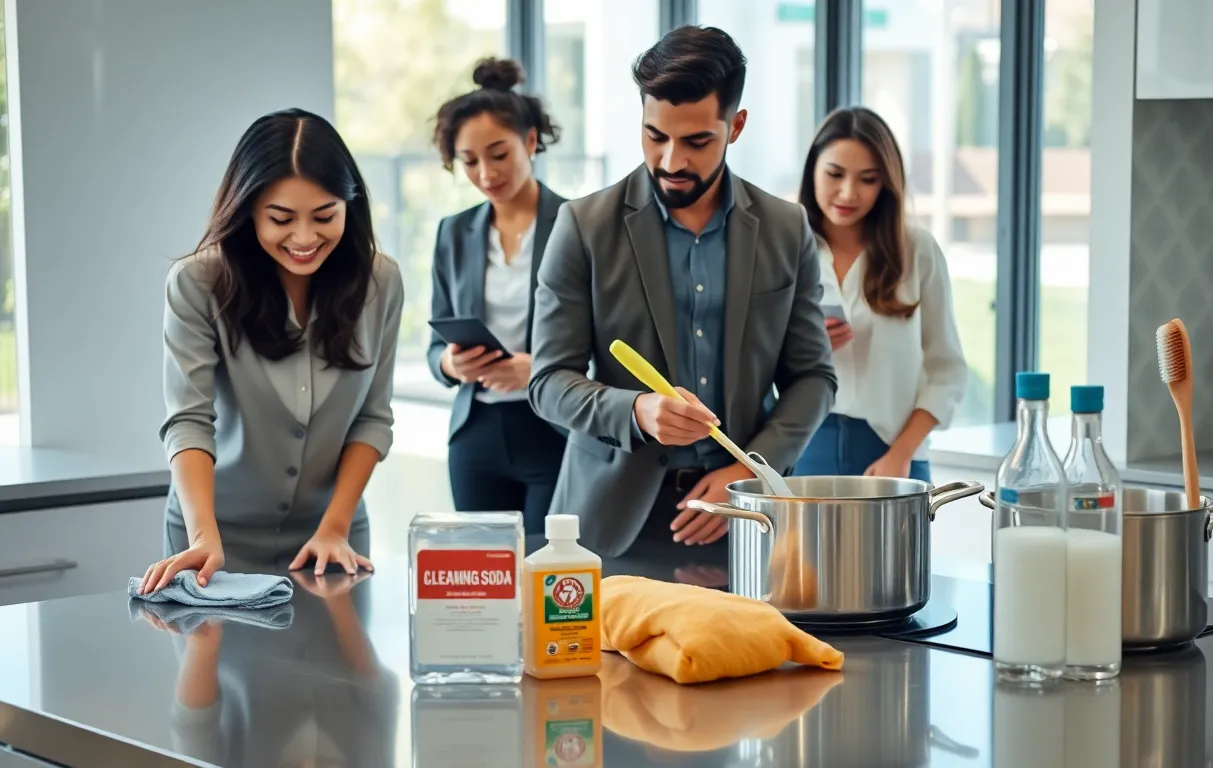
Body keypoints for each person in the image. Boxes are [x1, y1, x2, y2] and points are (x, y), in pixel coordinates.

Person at [528, 26, 837, 558]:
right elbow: (548, 381)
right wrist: (636, 411)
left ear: (735, 126)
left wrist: (751, 469)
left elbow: (813, 376)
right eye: (655, 136)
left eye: (697, 142)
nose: (671, 161)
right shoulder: (582, 226)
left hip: (746, 516)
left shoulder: (787, 229)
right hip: (612, 517)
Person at [138, 108, 404, 593]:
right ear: (248, 212)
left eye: (325, 216)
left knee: (345, 672)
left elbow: (373, 417)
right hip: (214, 542)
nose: (304, 238)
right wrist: (203, 534)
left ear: (351, 205)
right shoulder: (199, 284)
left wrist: (335, 525)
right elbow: (190, 420)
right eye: (281, 219)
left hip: (332, 538)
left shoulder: (380, 281)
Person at [425, 58, 568, 534]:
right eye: (469, 161)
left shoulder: (576, 226)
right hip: (475, 436)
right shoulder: (454, 233)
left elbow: (610, 338)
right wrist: (450, 364)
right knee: (484, 586)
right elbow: (433, 346)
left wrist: (541, 368)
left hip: (552, 429)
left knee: (548, 577)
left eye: (498, 154)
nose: (486, 173)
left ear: (530, 142)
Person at [793, 106, 968, 483]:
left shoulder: (916, 250)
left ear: (886, 183)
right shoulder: (783, 248)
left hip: (895, 452)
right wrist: (806, 348)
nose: (848, 192)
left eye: (868, 179)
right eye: (835, 174)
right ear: (813, 172)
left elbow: (947, 370)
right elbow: (753, 368)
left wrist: (901, 454)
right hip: (803, 448)